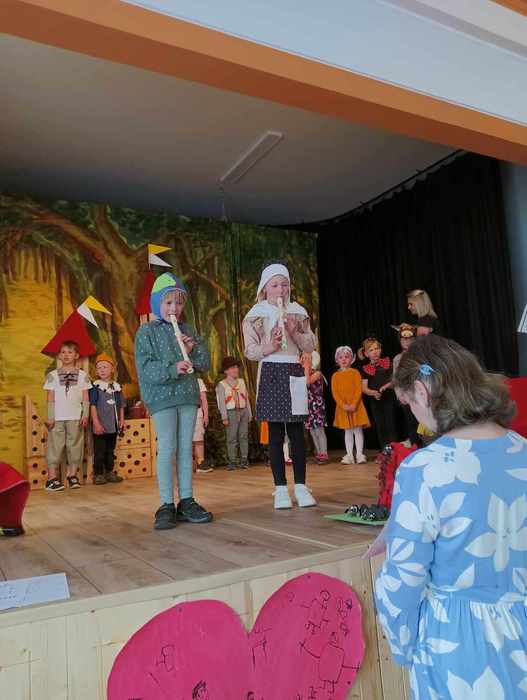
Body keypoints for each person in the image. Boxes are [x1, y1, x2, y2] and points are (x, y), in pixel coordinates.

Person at [375, 334, 527, 699]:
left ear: (422, 392)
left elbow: (402, 581)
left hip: (460, 645)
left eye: (410, 404)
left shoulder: (423, 468)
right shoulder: (523, 450)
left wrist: (403, 646)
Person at [135, 272, 212, 530]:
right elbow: (146, 368)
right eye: (168, 302)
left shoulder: (188, 329)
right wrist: (173, 367)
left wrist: (192, 349)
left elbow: (204, 363)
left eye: (179, 303)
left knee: (185, 448)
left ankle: (186, 501)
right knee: (167, 448)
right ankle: (166, 504)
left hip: (187, 395)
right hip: (162, 398)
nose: (174, 308)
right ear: (157, 303)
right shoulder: (146, 331)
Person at [243, 262, 317, 509]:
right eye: (275, 285)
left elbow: (310, 345)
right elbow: (250, 351)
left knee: (296, 433)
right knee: (275, 434)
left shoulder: (297, 311)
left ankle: (302, 487)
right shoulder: (256, 314)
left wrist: (294, 332)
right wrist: (271, 345)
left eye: (284, 285)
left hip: (293, 370)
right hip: (271, 371)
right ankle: (281, 489)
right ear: (264, 288)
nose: (280, 290)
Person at [43, 340, 91, 491]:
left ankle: (72, 476)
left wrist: (85, 415)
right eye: (63, 352)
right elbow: (50, 397)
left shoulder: (83, 376)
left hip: (75, 416)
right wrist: (50, 416)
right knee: (55, 447)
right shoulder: (52, 375)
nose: (66, 355)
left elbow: (85, 397)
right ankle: (51, 479)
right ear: (59, 355)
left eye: (70, 352)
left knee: (75, 446)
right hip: (57, 417)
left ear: (76, 355)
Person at [89, 352, 125, 485]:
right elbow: (92, 405)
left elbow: (121, 406)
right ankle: (98, 474)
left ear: (112, 369)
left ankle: (109, 472)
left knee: (110, 451)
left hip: (113, 426)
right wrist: (96, 423)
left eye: (105, 367)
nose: (102, 370)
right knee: (99, 451)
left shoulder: (117, 387)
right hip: (101, 426)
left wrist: (121, 421)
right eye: (99, 368)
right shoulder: (95, 387)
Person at [331, 346, 370, 464]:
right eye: (341, 357)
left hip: (356, 406)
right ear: (337, 360)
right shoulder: (335, 376)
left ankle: (359, 454)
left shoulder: (355, 373)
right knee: (347, 431)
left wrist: (354, 404)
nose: (344, 359)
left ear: (352, 359)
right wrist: (343, 405)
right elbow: (335, 393)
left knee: (357, 430)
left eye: (346, 357)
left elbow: (358, 389)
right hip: (343, 407)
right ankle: (349, 455)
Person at [360, 337, 397, 449]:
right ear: (366, 354)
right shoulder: (365, 369)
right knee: (380, 426)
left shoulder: (388, 363)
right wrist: (373, 393)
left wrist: (386, 386)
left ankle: (394, 450)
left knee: (391, 424)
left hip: (389, 398)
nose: (375, 352)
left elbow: (395, 380)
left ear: (380, 349)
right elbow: (364, 388)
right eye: (371, 350)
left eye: (376, 348)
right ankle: (385, 450)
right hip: (375, 401)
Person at [216, 356, 252, 471]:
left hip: (243, 411)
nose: (236, 370)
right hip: (231, 412)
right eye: (232, 368)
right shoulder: (222, 385)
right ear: (226, 371)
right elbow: (221, 403)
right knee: (231, 437)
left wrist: (249, 413)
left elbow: (246, 398)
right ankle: (232, 461)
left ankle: (244, 459)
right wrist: (224, 417)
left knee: (243, 435)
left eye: (236, 367)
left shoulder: (241, 382)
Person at [392, 323, 419, 445]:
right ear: (400, 341)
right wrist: (400, 395)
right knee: (411, 423)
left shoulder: (420, 355)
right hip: (407, 396)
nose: (407, 342)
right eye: (404, 339)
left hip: (421, 394)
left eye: (410, 339)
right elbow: (396, 379)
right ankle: (415, 447)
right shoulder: (398, 359)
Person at [302, 350, 329, 464]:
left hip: (316, 405)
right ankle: (318, 453)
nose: (303, 360)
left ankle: (324, 453)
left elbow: (308, 382)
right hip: (308, 406)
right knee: (312, 431)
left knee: (319, 430)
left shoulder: (317, 373)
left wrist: (306, 368)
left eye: (306, 358)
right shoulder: (304, 373)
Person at [193, 378, 213, 473]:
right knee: (185, 441)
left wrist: (206, 415)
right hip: (184, 414)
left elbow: (204, 399)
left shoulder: (198, 381)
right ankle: (187, 465)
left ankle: (201, 463)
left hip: (197, 413)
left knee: (199, 439)